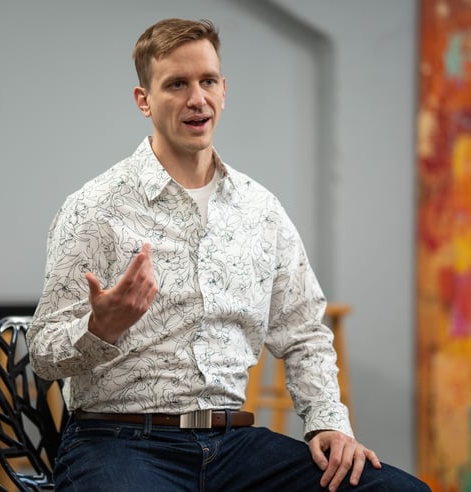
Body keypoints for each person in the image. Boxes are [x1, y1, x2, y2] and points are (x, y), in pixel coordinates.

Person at [27, 17, 430, 492]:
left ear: (223, 90)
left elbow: (303, 332)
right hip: (117, 441)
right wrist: (101, 329)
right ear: (144, 100)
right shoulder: (94, 209)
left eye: (208, 81)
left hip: (234, 446)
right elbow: (43, 354)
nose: (197, 98)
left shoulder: (261, 210)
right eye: (176, 84)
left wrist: (328, 422)